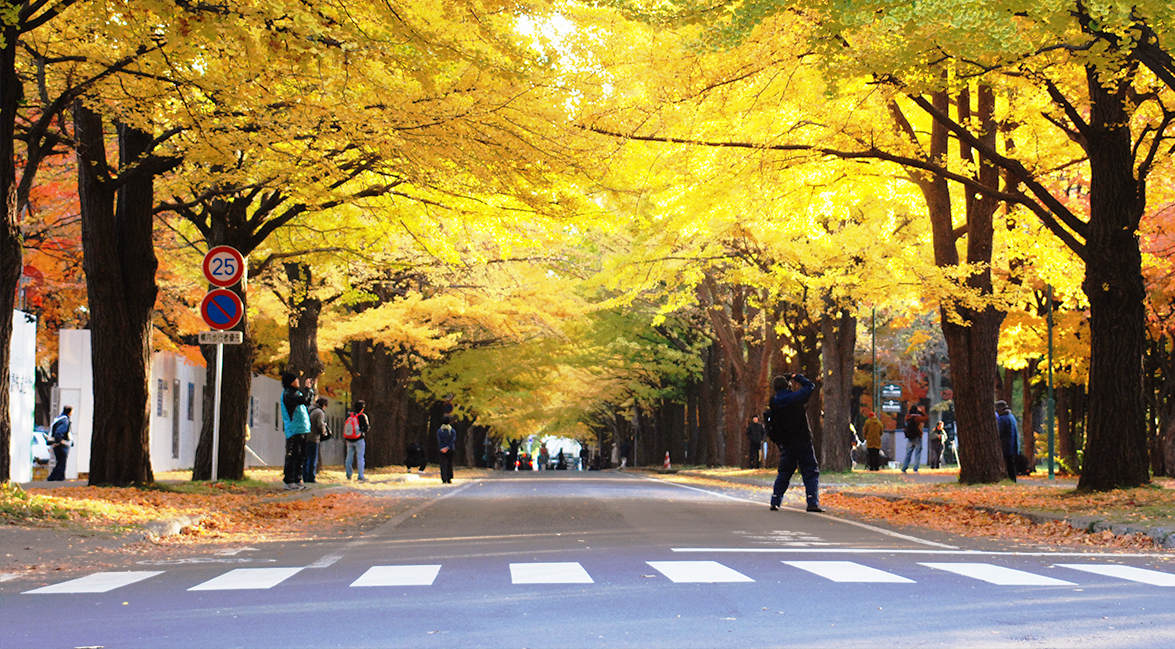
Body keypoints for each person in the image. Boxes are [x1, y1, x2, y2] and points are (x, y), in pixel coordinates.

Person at [767, 373, 824, 513]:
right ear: (788, 386)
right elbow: (810, 386)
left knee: (784, 472)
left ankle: (775, 500)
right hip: (802, 439)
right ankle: (812, 501)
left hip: (786, 442)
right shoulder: (795, 398)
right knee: (810, 471)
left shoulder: (774, 404)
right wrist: (796, 376)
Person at [280, 372, 315, 490]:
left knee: (301, 455)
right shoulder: (288, 394)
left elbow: (307, 401)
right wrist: (306, 388)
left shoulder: (297, 393)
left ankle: (297, 480)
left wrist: (309, 390)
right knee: (293, 454)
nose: (298, 381)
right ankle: (289, 481)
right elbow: (303, 400)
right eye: (296, 380)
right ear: (291, 382)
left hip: (302, 428)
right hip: (294, 429)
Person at [304, 396, 329, 483]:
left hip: (305, 436)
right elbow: (320, 425)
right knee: (313, 458)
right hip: (314, 437)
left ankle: (305, 476)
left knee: (306, 458)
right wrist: (324, 432)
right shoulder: (319, 412)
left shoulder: (309, 409)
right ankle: (311, 477)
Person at [343, 400, 369, 481]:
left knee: (349, 457)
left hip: (349, 440)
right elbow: (366, 428)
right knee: (360, 457)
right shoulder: (362, 416)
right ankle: (360, 475)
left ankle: (348, 474)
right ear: (362, 409)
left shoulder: (349, 415)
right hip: (359, 439)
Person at [47, 406, 72, 481]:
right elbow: (59, 432)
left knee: (59, 461)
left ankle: (55, 477)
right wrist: (59, 441)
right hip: (62, 444)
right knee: (62, 461)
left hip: (55, 442)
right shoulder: (64, 420)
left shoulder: (58, 418)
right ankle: (57, 478)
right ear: (70, 412)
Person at [996, 400, 1019, 482]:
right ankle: (1013, 479)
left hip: (1005, 446)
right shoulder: (1011, 417)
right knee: (1011, 464)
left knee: (1008, 464)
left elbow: (998, 432)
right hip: (1012, 446)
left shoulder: (1002, 419)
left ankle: (1010, 479)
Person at [901, 406, 927, 474]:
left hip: (910, 437)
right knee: (917, 453)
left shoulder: (908, 418)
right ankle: (915, 469)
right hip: (917, 437)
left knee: (908, 454)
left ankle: (904, 468)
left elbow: (907, 415)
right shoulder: (917, 418)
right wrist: (921, 411)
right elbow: (926, 417)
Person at [437, 415, 457, 484]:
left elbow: (439, 440)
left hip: (442, 449)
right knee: (449, 463)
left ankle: (443, 477)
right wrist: (448, 447)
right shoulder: (452, 430)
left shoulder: (440, 430)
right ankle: (449, 477)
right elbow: (453, 440)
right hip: (450, 449)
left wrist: (442, 447)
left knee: (443, 463)